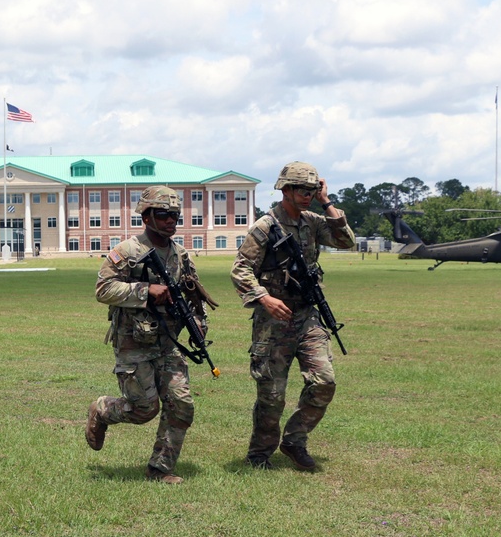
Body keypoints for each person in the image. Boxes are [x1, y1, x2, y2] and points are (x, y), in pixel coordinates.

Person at [231, 161, 356, 471]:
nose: (308, 196)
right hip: (274, 321)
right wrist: (264, 298)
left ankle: (294, 441)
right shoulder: (265, 226)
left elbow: (346, 241)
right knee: (272, 396)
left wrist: (327, 202)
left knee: (324, 381)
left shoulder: (313, 222)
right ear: (285, 189)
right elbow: (240, 269)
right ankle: (259, 454)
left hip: (306, 316)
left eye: (313, 191)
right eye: (303, 190)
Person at [85, 186, 206, 484]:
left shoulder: (180, 254)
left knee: (182, 404)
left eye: (175, 215)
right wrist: (144, 291)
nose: (171, 221)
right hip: (133, 343)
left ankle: (160, 468)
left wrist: (199, 325)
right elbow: (102, 290)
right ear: (147, 215)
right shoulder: (127, 251)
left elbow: (194, 295)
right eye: (164, 215)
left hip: (168, 343)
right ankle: (102, 409)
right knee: (144, 409)